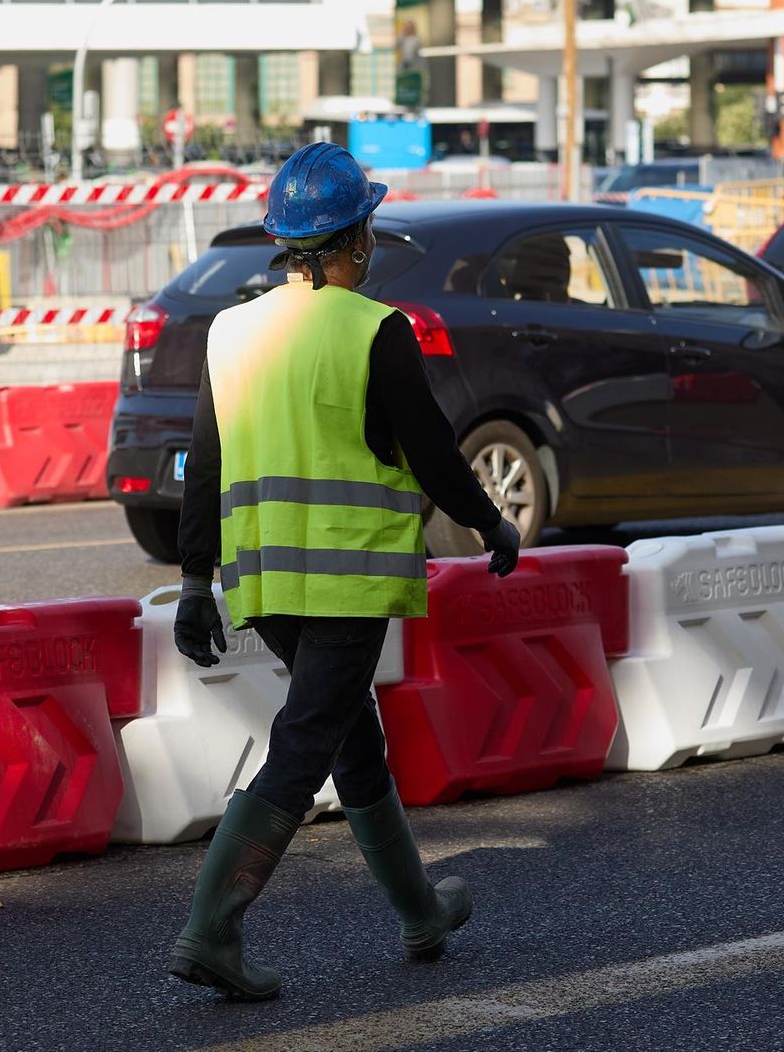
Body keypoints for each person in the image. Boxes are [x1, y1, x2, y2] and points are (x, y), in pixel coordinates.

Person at [167, 141, 521, 1002]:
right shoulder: (376, 329)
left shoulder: (231, 330)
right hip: (348, 578)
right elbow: (434, 452)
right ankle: (212, 927)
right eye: (367, 231)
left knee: (348, 733)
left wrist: (192, 582)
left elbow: (203, 466)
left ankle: (420, 910)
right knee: (304, 743)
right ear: (354, 240)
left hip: (265, 584)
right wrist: (488, 522)